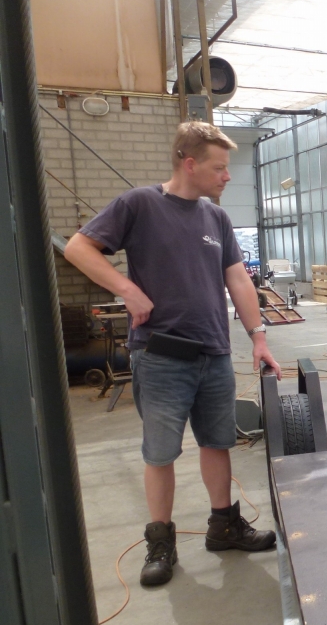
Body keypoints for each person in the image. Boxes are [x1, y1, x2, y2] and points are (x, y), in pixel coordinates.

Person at [64, 121, 282, 587]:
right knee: (160, 452)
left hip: (214, 353)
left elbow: (238, 279)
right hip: (160, 356)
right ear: (189, 164)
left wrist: (259, 337)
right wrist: (127, 289)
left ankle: (223, 527)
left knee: (218, 442)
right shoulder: (140, 204)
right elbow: (79, 247)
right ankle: (161, 542)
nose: (227, 176)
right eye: (219, 168)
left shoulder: (216, 218)